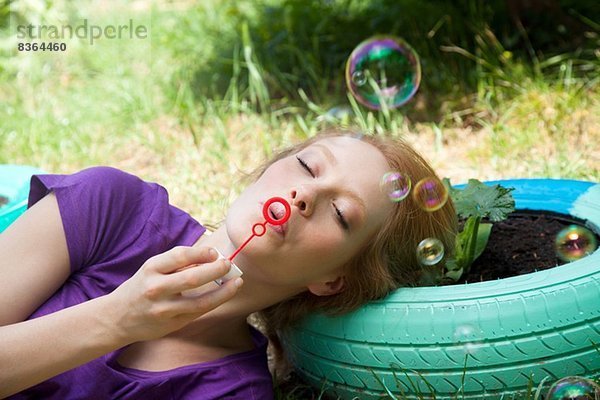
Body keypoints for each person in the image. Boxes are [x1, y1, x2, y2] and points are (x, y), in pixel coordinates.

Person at [0, 130, 457, 399]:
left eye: (341, 214)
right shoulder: (110, 206)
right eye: (307, 166)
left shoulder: (231, 391)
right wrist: (117, 319)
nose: (305, 194)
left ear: (332, 280)